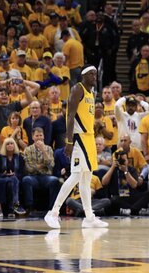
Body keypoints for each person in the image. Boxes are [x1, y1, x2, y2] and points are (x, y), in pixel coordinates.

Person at [44, 66, 108, 229]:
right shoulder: (77, 89)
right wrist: (69, 141)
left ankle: (89, 217)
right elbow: (70, 116)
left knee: (86, 178)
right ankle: (53, 212)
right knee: (76, 176)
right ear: (83, 76)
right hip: (78, 139)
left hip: (89, 138)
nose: (94, 77)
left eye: (95, 74)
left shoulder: (91, 93)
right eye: (91, 74)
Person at [0, 138, 26, 216]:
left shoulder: (19, 158)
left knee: (13, 180)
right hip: (2, 178)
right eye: (7, 144)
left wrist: (15, 174)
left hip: (15, 179)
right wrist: (4, 174)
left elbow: (22, 173)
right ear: (4, 146)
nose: (10, 145)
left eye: (12, 143)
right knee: (11, 180)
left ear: (14, 145)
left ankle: (10, 209)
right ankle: (15, 204)